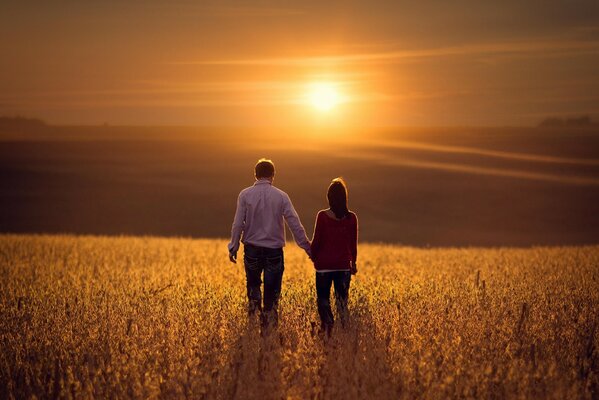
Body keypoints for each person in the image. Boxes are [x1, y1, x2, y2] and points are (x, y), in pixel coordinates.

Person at [228, 158, 311, 329]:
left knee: (253, 289)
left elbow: (238, 224)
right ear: (273, 175)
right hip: (274, 251)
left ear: (255, 175)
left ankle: (252, 327)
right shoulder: (281, 196)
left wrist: (234, 246)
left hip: (251, 249)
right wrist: (307, 247)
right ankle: (268, 334)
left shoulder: (244, 195)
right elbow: (294, 223)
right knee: (272, 297)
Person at [310, 178, 358, 336]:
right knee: (342, 302)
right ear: (345, 197)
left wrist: (313, 255)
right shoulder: (351, 218)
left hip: (324, 267)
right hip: (343, 266)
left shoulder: (322, 216)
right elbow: (353, 244)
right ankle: (345, 332)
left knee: (323, 300)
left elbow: (317, 241)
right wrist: (353, 262)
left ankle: (328, 327)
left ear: (329, 197)